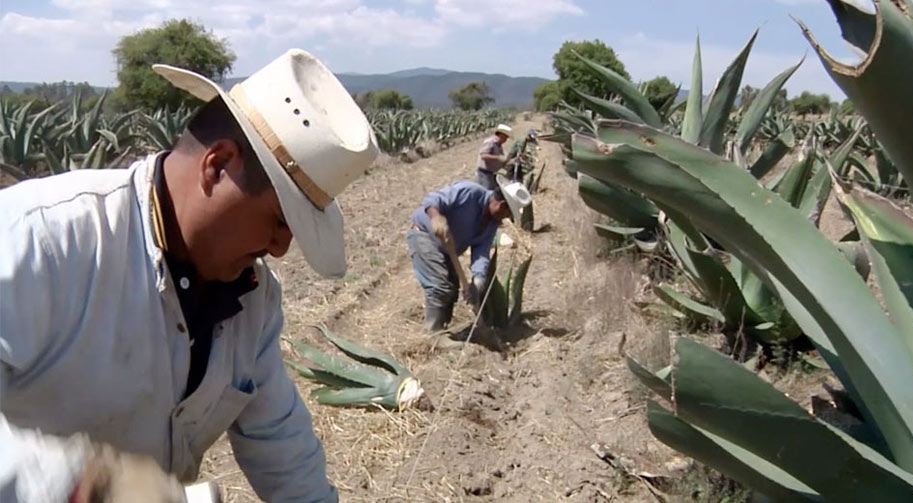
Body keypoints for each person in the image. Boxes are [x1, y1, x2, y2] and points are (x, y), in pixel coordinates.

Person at [0, 48, 379, 502]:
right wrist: (91, 486)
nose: (281, 247)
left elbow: (279, 440)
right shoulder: (41, 239)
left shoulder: (253, 300)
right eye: (280, 219)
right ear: (217, 165)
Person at [407, 177, 532, 332]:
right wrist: (436, 216)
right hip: (424, 235)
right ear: (501, 205)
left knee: (452, 289)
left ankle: (443, 330)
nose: (504, 219)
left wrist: (478, 280)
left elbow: (481, 251)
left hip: (446, 249)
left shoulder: (491, 224)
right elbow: (432, 199)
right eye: (506, 214)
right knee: (440, 287)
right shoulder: (470, 192)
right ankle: (433, 334)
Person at [474, 123, 515, 190]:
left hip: (491, 173)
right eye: (505, 137)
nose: (506, 140)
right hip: (484, 174)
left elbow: (501, 160)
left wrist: (509, 162)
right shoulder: (490, 142)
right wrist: (497, 158)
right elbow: (483, 156)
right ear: (501, 135)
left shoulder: (498, 145)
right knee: (486, 191)